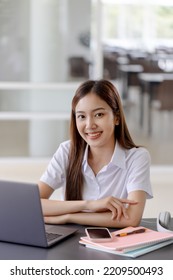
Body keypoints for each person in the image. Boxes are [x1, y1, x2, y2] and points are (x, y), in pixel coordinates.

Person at [38, 79, 153, 228]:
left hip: (114, 244)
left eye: (98, 115)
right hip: (70, 242)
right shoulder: (67, 151)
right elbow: (34, 204)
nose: (89, 125)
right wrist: (90, 205)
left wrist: (68, 216)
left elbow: (131, 218)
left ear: (116, 117)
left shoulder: (137, 158)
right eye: (81, 116)